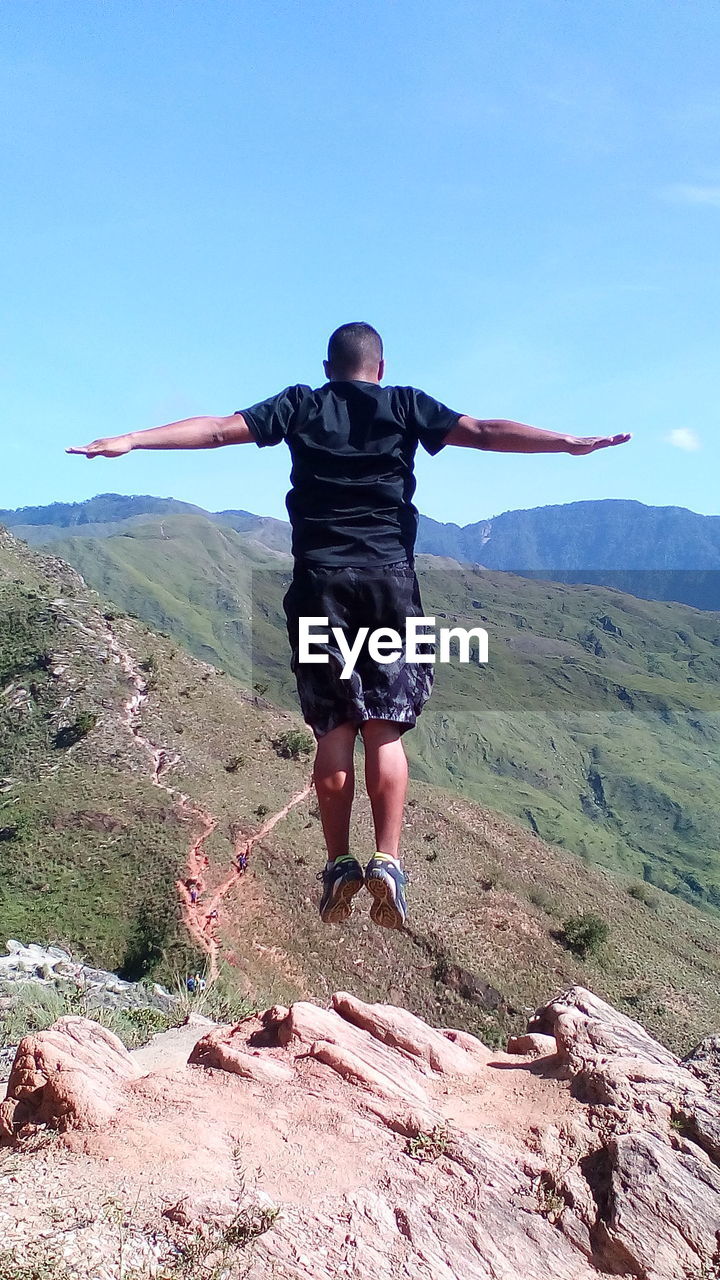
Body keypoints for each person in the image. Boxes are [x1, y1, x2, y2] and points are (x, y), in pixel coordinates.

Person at [68, 322, 630, 930]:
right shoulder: (406, 405)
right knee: (383, 729)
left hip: (320, 583)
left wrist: (132, 440)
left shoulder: (300, 405)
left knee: (335, 728)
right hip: (389, 580)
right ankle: (387, 861)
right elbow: (488, 432)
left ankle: (339, 863)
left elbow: (216, 430)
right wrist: (569, 443)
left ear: (327, 367)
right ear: (379, 369)